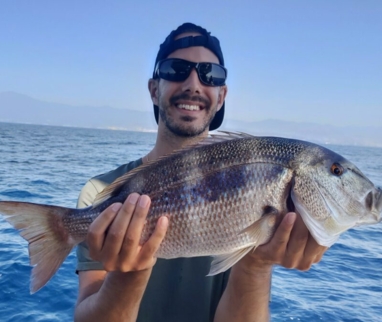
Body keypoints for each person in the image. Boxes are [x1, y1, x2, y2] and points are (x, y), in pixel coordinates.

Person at [74, 22, 328, 322]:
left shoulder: (258, 187)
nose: (194, 84)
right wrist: (128, 274)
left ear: (221, 96)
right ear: (155, 90)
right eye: (176, 69)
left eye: (210, 74)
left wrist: (256, 264)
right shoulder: (99, 192)